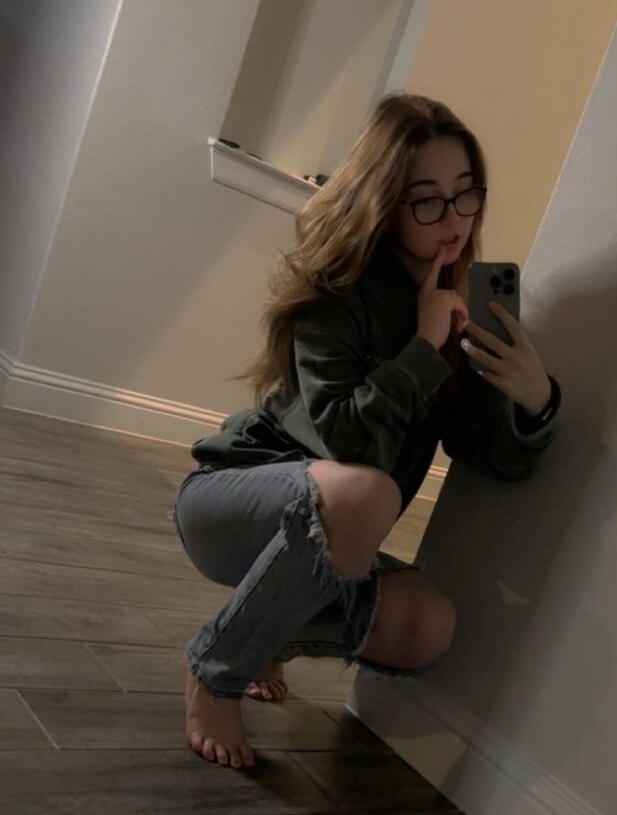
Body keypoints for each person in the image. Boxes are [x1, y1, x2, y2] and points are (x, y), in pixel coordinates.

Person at [171, 93, 562, 770]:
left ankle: (262, 637)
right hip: (230, 506)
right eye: (428, 200)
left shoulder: (459, 313)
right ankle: (215, 669)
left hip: (327, 532)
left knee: (428, 626)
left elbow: (490, 455)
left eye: (466, 194)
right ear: (384, 201)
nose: (454, 217)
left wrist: (534, 401)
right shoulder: (337, 292)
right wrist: (422, 344)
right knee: (367, 492)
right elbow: (347, 443)